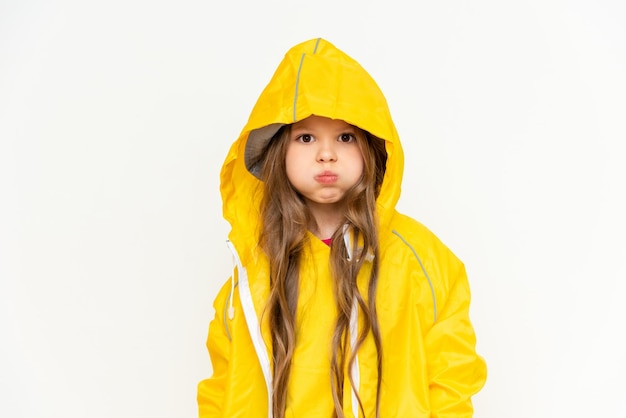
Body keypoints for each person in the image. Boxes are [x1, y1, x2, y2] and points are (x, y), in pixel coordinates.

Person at [197, 38, 487, 418]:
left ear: (372, 149)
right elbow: (222, 389)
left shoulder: (423, 261)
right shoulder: (252, 276)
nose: (326, 153)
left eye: (345, 137)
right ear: (278, 152)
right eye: (306, 137)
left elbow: (452, 375)